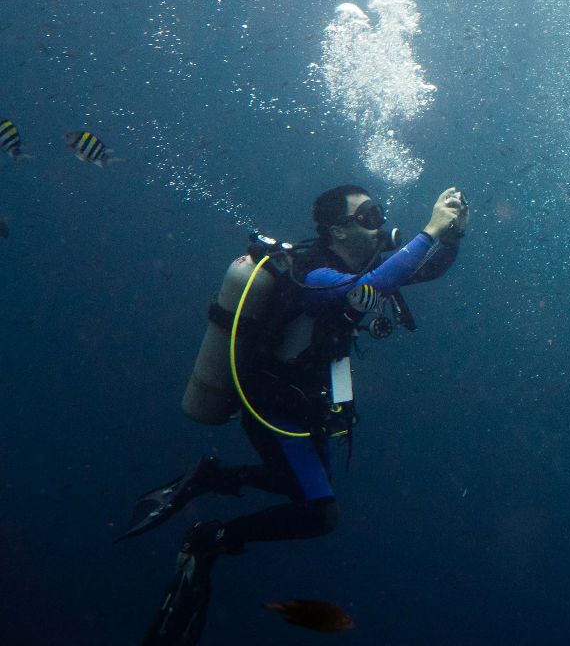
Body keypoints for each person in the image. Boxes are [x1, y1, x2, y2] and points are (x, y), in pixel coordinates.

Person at [121, 184, 469, 646]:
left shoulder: (363, 260)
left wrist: (453, 238)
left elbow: (427, 268)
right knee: (319, 514)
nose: (380, 224)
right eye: (367, 217)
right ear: (337, 230)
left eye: (378, 213)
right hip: (274, 410)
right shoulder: (312, 273)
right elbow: (364, 290)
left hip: (307, 409)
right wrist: (429, 231)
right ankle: (210, 537)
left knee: (295, 486)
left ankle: (210, 476)